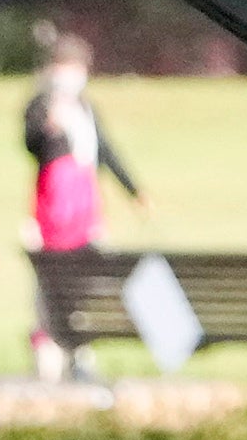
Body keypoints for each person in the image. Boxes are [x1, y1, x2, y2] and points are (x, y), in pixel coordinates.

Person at [15, 32, 148, 374]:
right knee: (51, 282)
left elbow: (104, 150)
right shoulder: (40, 105)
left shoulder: (85, 107)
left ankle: (80, 351)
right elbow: (33, 147)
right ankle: (50, 345)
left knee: (87, 280)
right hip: (54, 210)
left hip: (85, 207)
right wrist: (52, 130)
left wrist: (133, 189)